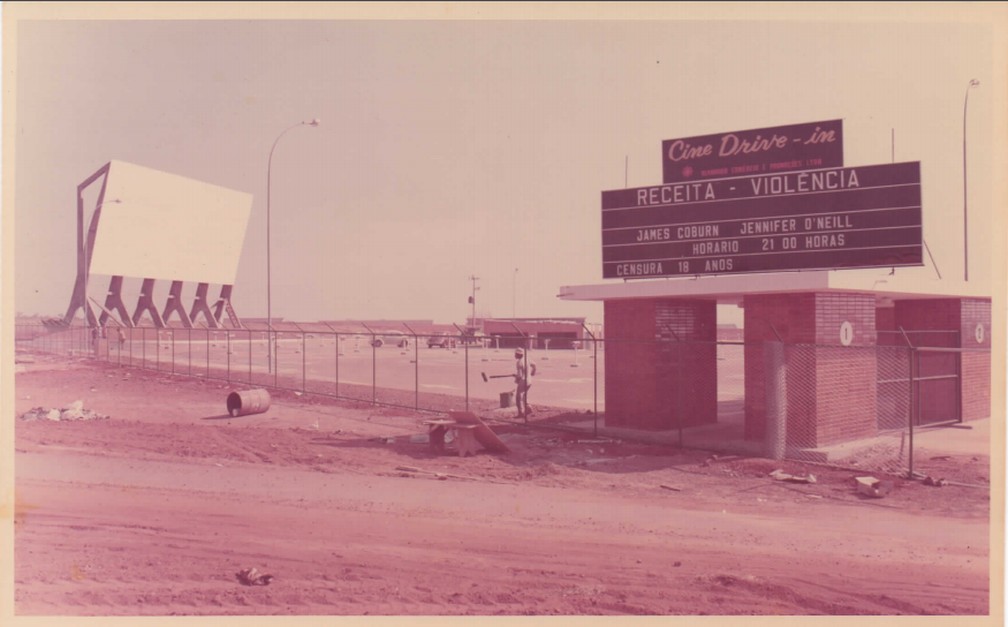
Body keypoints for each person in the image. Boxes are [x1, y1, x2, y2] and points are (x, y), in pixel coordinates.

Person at [514, 347, 535, 420]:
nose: (514, 355)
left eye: (515, 354)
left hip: (523, 380)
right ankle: (529, 409)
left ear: (518, 354)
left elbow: (519, 375)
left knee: (519, 397)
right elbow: (534, 365)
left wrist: (516, 378)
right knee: (524, 396)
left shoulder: (519, 362)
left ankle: (521, 413)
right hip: (529, 380)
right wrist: (533, 372)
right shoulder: (527, 359)